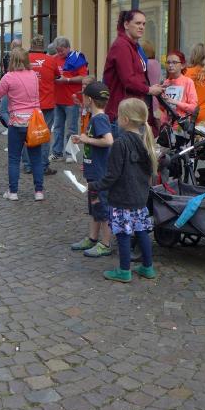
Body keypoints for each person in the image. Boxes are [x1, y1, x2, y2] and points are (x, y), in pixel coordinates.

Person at [89, 98, 157, 283]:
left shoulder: (120, 144)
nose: (116, 119)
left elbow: (112, 175)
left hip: (122, 198)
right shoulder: (145, 141)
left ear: (125, 120)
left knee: (123, 235)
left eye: (119, 116)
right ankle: (148, 267)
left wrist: (95, 186)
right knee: (142, 232)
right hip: (140, 197)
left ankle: (124, 270)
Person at [0, 47, 44, 201]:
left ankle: (13, 191)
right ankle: (39, 191)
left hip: (17, 122)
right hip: (34, 121)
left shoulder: (9, 77)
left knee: (14, 158)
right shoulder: (33, 75)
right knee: (36, 158)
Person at [103, 9, 164, 136]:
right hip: (122, 113)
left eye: (144, 24)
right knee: (126, 149)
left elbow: (137, 77)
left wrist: (150, 88)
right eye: (137, 23)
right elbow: (128, 80)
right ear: (126, 24)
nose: (141, 27)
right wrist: (149, 90)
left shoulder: (132, 46)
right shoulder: (122, 46)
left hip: (132, 111)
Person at [70, 82, 114, 257]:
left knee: (102, 208)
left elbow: (108, 141)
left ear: (89, 99)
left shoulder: (99, 119)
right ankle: (92, 238)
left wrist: (87, 140)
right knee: (95, 206)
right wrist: (83, 139)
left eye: (83, 96)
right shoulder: (95, 117)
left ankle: (106, 243)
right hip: (94, 172)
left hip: (100, 173)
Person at [25, 35, 61, 176]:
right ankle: (43, 165)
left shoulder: (25, 59)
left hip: (28, 103)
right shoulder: (51, 60)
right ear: (43, 46)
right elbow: (57, 76)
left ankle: (28, 165)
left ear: (32, 45)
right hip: (46, 103)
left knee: (27, 133)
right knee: (44, 135)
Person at [51, 37, 87, 162]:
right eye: (57, 50)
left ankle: (70, 153)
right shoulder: (54, 59)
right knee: (57, 128)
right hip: (57, 99)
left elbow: (83, 77)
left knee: (71, 129)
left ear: (68, 47)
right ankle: (57, 153)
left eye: (61, 50)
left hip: (72, 100)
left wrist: (67, 80)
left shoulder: (77, 58)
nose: (59, 53)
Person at [160, 51, 198, 123]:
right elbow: (162, 108)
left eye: (174, 62)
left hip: (180, 125)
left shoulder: (188, 82)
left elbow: (193, 108)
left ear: (182, 65)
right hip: (165, 124)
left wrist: (175, 102)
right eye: (168, 62)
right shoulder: (165, 83)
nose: (170, 65)